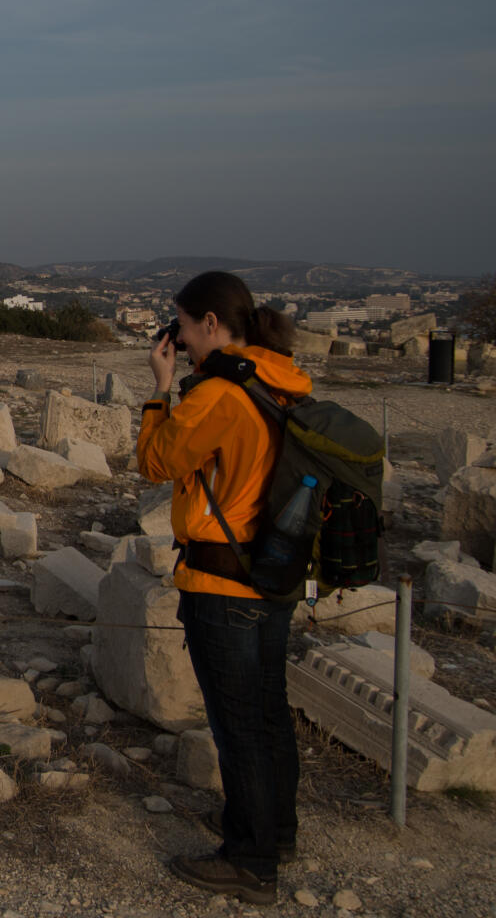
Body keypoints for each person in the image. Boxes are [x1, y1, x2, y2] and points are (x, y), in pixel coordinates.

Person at [136, 270, 311, 907]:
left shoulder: (220, 394)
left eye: (181, 326)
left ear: (211, 324)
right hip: (273, 568)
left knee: (237, 724)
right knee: (267, 713)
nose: (177, 338)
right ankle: (275, 830)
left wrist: (160, 389)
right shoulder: (277, 376)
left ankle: (249, 860)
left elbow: (157, 461)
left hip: (222, 578)